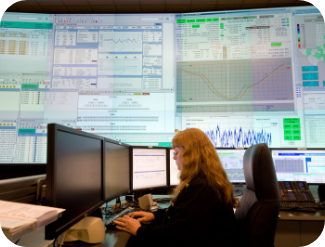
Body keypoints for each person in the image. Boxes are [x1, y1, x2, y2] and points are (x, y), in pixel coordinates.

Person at [114, 128, 239, 247]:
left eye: (176, 153)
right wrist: (154, 216)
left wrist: (139, 230)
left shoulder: (203, 188)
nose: (173, 157)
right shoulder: (204, 181)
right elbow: (185, 216)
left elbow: (177, 236)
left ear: (191, 155)